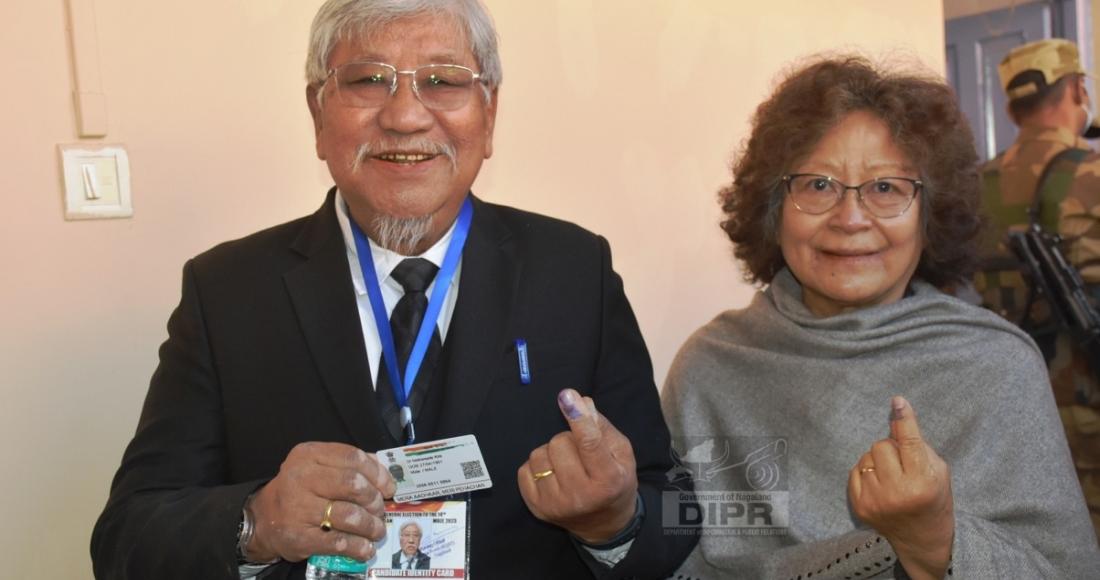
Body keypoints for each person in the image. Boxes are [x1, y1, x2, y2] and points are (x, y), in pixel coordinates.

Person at [90, 1, 696, 578]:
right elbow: (125, 541)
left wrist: (615, 522)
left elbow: (676, 513)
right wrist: (255, 522)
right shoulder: (227, 291)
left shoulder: (574, 271)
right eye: (367, 80)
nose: (405, 115)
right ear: (318, 115)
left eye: (443, 80)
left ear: (488, 115)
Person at [661, 55, 1100, 579]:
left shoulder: (997, 367)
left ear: (930, 214)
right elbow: (675, 561)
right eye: (818, 185)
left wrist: (938, 540)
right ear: (773, 208)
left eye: (886, 188)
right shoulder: (713, 369)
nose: (850, 219)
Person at [975, 38, 1100, 539]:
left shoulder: (972, 184)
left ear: (1010, 107)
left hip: (1011, 403)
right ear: (1077, 89)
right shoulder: (1091, 174)